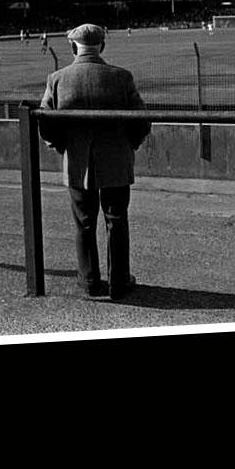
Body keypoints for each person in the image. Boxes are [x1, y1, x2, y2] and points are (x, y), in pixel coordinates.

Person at [39, 24, 151, 300]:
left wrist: (62, 146)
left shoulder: (58, 78)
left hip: (78, 162)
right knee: (117, 221)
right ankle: (119, 282)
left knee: (84, 223)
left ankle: (89, 281)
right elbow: (142, 120)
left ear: (73, 46)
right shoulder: (121, 77)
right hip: (115, 161)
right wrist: (130, 146)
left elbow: (45, 121)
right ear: (102, 46)